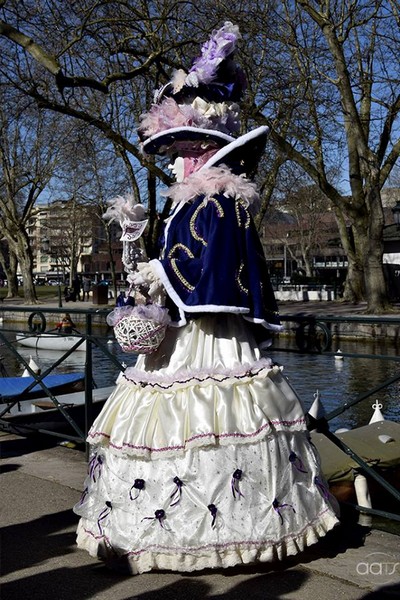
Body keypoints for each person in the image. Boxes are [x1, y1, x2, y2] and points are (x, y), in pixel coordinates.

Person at [74, 23, 339, 575]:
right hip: (180, 335)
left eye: (184, 151)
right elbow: (176, 265)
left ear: (207, 153)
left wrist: (158, 275)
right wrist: (139, 259)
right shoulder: (187, 206)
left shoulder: (219, 203)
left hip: (209, 338)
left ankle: (235, 535)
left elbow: (208, 270)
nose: (174, 163)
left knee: (214, 423)